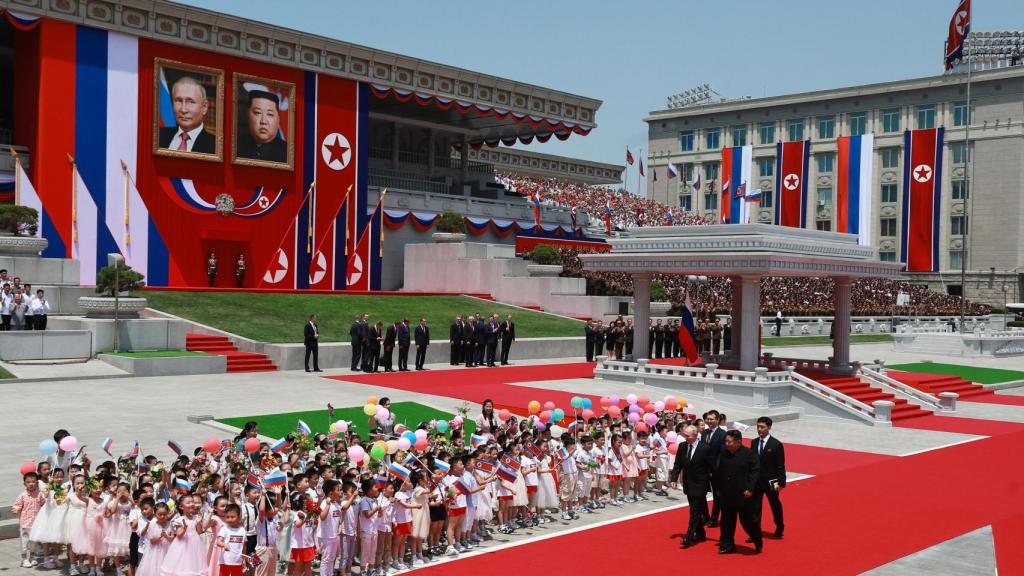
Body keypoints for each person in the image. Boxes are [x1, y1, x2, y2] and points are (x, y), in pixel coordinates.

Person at [716, 430, 762, 554]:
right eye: (726, 441)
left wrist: (750, 489)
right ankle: (727, 545)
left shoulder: (749, 454)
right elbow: (720, 471)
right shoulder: (724, 452)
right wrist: (719, 488)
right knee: (726, 522)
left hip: (744, 495)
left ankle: (757, 540)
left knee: (747, 521)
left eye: (729, 442)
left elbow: (755, 472)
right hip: (727, 493)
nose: (726, 444)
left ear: (738, 442)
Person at [158, 76, 216, 153]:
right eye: (178, 100)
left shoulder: (216, 146)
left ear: (204, 107)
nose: (183, 109)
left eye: (190, 101)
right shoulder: (158, 135)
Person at [751, 417, 786, 539]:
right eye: (758, 427)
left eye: (762, 427)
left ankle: (779, 527)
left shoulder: (776, 444)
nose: (759, 429)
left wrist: (781, 483)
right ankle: (755, 532)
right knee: (755, 507)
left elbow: (780, 465)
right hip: (756, 481)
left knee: (774, 504)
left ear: (769, 427)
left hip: (772, 481)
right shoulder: (754, 442)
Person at [236, 90, 288, 163]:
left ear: (278, 120)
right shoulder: (235, 146)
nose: (263, 121)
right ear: (248, 116)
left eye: (270, 114)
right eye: (258, 113)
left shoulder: (288, 152)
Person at [13, 471, 45, 568]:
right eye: (28, 482)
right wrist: (15, 509)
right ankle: (24, 559)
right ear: (25, 484)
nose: (31, 484)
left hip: (36, 523)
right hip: (25, 524)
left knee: (34, 542)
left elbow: (44, 503)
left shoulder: (40, 494)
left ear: (37, 483)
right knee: (24, 542)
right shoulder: (22, 495)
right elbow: (17, 505)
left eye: (33, 481)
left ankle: (32, 557)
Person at [701, 410, 726, 527]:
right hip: (703, 470)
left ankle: (714, 518)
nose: (709, 421)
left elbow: (722, 454)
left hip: (716, 471)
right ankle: (705, 515)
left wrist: (714, 470)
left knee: (717, 496)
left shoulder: (723, 434)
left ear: (717, 420)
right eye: (708, 419)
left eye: (712, 419)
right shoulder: (704, 433)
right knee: (701, 494)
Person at [214, 504, 246, 576]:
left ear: (239, 517)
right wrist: (224, 545)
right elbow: (218, 542)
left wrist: (244, 559)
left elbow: (243, 546)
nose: (230, 519)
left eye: (232, 517)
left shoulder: (242, 530)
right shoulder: (224, 529)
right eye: (227, 517)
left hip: (238, 561)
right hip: (225, 561)